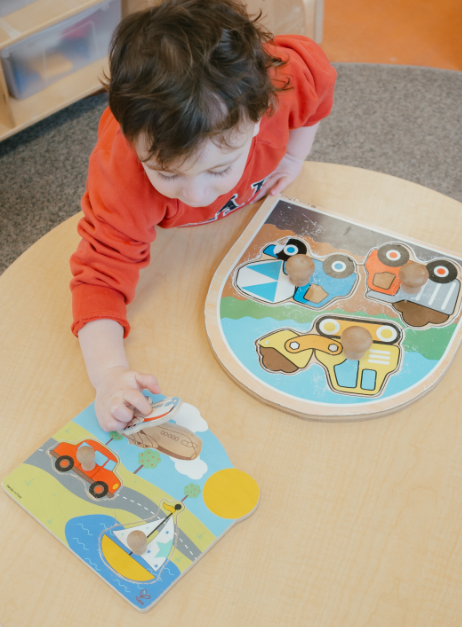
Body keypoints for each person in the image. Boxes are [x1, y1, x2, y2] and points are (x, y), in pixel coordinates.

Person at [70, 0, 336, 431]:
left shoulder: (281, 83)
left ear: (258, 117)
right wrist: (109, 377)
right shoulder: (123, 178)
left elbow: (318, 77)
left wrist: (293, 155)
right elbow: (98, 279)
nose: (195, 194)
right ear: (131, 139)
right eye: (165, 173)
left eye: (219, 169)